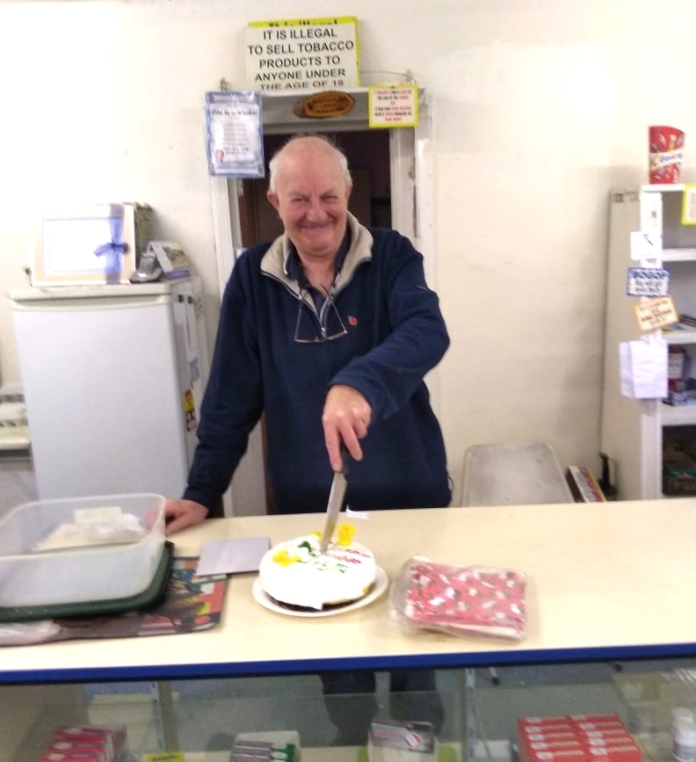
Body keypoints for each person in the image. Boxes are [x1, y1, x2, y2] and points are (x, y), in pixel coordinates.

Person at [165, 133, 451, 745]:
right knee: (336, 655)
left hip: (409, 490)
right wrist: (201, 492)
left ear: (348, 192)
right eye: (299, 199)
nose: (316, 213)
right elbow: (230, 396)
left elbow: (428, 331)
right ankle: (351, 739)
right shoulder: (252, 276)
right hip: (309, 504)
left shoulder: (394, 255)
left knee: (414, 652)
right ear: (273, 200)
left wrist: (359, 382)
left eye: (328, 196)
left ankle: (416, 737)